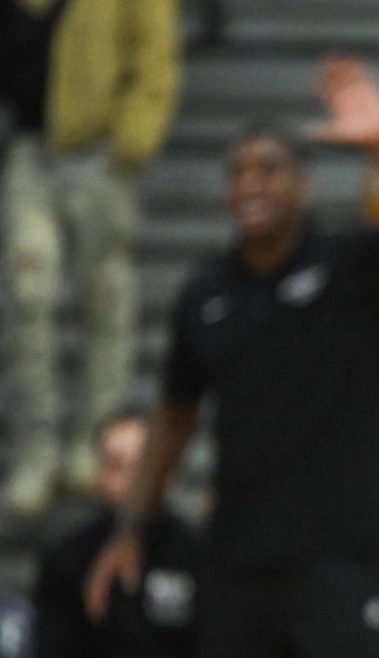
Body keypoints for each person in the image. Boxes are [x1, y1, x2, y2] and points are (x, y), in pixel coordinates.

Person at [84, 56, 379, 657]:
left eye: (269, 169)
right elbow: (173, 420)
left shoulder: (352, 263)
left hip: (340, 558)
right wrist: (132, 527)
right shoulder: (205, 291)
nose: (251, 184)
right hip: (236, 558)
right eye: (238, 172)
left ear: (303, 184)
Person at [0, 0, 181, 516]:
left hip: (99, 151)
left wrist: (132, 141)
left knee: (106, 296)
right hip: (29, 148)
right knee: (27, 291)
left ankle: (95, 442)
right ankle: (35, 449)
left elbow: (155, 57)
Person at [34, 407, 199, 658]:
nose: (130, 480)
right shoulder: (67, 557)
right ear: (97, 473)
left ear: (167, 473)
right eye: (115, 465)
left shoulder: (198, 553)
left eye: (141, 467)